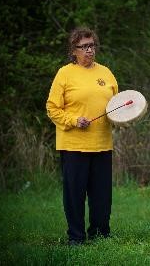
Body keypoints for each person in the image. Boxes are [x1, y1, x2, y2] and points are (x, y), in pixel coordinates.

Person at [46, 27, 118, 245]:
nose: (89, 50)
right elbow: (52, 108)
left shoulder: (106, 73)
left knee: (102, 196)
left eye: (92, 45)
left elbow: (117, 106)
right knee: (74, 195)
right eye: (84, 46)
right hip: (73, 145)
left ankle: (100, 233)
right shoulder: (64, 73)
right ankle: (76, 237)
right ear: (74, 50)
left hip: (102, 144)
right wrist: (74, 120)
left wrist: (124, 116)